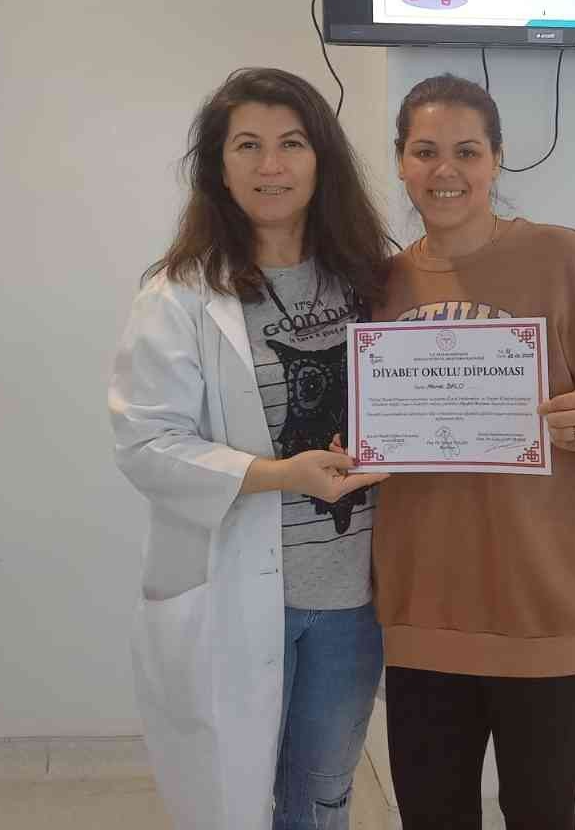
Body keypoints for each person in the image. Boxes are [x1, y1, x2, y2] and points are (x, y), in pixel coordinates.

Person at [373, 73, 575, 830]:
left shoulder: (559, 257)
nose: (445, 170)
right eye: (425, 151)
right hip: (425, 615)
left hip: (551, 612)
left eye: (467, 151)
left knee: (541, 815)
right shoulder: (378, 284)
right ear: (401, 162)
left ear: (497, 159)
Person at [108, 68, 392, 830]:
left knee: (322, 800)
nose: (272, 165)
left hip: (352, 600)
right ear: (219, 165)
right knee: (235, 801)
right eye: (248, 146)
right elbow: (145, 443)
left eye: (292, 143)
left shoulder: (368, 279)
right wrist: (277, 475)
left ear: (321, 160)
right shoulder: (179, 294)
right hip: (236, 592)